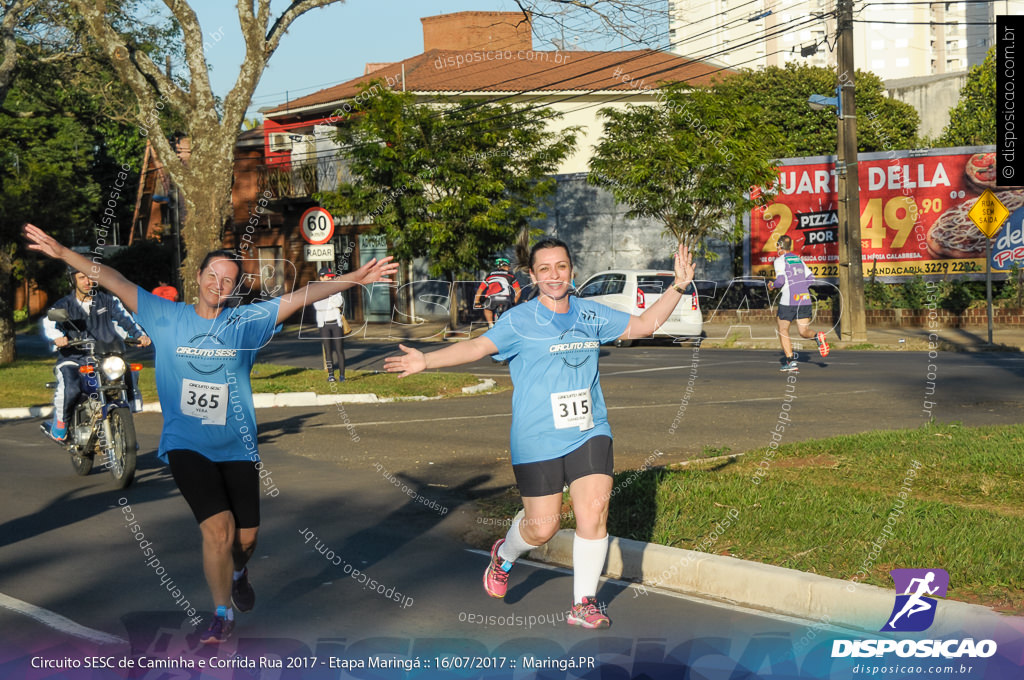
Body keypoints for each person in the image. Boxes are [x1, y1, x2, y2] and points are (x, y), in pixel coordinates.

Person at [24, 223, 397, 645]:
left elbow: (302, 296)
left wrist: (356, 278)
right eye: (212, 276)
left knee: (247, 537)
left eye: (228, 280)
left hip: (237, 443)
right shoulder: (166, 316)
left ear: (234, 288)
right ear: (198, 278)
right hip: (186, 444)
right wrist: (61, 251)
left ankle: (239, 572)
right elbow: (114, 279)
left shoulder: (246, 322)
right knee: (218, 530)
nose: (218, 284)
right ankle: (221, 615)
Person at [386, 238, 694, 629]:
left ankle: (584, 603)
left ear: (572, 271)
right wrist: (426, 360)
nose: (553, 275)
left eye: (561, 267)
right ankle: (504, 555)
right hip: (536, 438)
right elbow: (479, 347)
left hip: (589, 429)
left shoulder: (592, 314)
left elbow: (646, 324)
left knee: (594, 512)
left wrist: (679, 285)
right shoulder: (519, 320)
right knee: (542, 527)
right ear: (531, 276)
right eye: (544, 269)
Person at [41, 267, 152, 443]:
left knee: (128, 372)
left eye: (91, 277)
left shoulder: (108, 301)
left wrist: (139, 335)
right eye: (82, 277)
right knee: (71, 388)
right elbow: (49, 323)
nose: (88, 282)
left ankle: (125, 422)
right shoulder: (64, 304)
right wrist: (58, 338)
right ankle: (61, 423)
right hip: (73, 357)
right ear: (73, 280)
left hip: (105, 355)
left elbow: (125, 319)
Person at [769, 234, 829, 372]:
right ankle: (817, 336)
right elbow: (811, 278)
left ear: (779, 246)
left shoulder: (779, 260)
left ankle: (790, 361)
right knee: (803, 331)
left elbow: (780, 281)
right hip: (804, 298)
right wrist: (800, 288)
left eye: (777, 245)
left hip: (788, 300)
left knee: (783, 330)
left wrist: (771, 285)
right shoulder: (798, 259)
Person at [313, 266, 346, 382]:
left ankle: (342, 375)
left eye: (330, 277)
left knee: (339, 350)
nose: (329, 279)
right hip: (324, 325)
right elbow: (318, 306)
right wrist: (330, 301)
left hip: (336, 323)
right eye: (327, 277)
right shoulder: (316, 290)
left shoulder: (335, 288)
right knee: (328, 350)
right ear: (321, 278)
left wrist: (329, 298)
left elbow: (339, 302)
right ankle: (331, 375)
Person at [473, 257, 521, 327]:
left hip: (492, 298)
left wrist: (476, 302)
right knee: (507, 313)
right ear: (504, 266)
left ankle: (490, 324)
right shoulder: (511, 275)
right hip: (506, 298)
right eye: (508, 266)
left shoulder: (490, 275)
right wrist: (514, 302)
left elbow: (480, 290)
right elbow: (518, 291)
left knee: (487, 309)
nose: (509, 268)